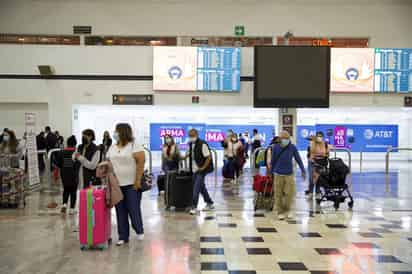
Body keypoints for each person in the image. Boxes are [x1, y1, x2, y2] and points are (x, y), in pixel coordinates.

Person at [107, 123, 145, 246]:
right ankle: (123, 236)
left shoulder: (134, 145)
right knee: (120, 211)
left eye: (116, 131)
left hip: (132, 184)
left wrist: (138, 181)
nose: (114, 133)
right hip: (117, 185)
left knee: (133, 209)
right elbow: (108, 162)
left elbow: (140, 163)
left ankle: (139, 230)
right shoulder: (112, 147)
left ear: (123, 132)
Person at [271, 131, 306, 220]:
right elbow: (273, 161)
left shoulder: (292, 147)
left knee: (289, 194)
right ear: (280, 139)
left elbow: (298, 158)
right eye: (283, 138)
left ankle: (288, 210)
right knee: (278, 194)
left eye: (287, 138)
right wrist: (271, 172)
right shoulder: (275, 147)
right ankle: (280, 212)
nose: (285, 140)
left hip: (289, 174)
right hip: (278, 174)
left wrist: (303, 170)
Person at [185, 129, 214, 215]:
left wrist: (203, 168)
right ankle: (209, 202)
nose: (191, 137)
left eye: (193, 135)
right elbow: (189, 154)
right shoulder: (190, 144)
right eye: (190, 136)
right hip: (194, 170)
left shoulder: (202, 144)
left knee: (196, 188)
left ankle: (194, 207)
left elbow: (208, 157)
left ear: (197, 135)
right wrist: (182, 157)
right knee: (201, 187)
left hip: (201, 170)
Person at [55, 136, 79, 215]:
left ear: (67, 143)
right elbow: (78, 164)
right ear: (75, 144)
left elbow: (58, 165)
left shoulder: (61, 152)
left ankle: (64, 204)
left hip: (64, 174)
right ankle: (72, 209)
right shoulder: (76, 153)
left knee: (66, 189)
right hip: (74, 174)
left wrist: (56, 174)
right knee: (73, 191)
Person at [305, 131, 331, 199]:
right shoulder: (312, 142)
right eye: (318, 136)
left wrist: (326, 157)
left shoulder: (325, 144)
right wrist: (313, 138)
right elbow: (307, 138)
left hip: (321, 163)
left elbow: (327, 153)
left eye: (321, 136)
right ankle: (310, 192)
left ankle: (317, 192)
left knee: (319, 178)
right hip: (312, 162)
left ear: (323, 137)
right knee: (311, 178)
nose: (319, 137)